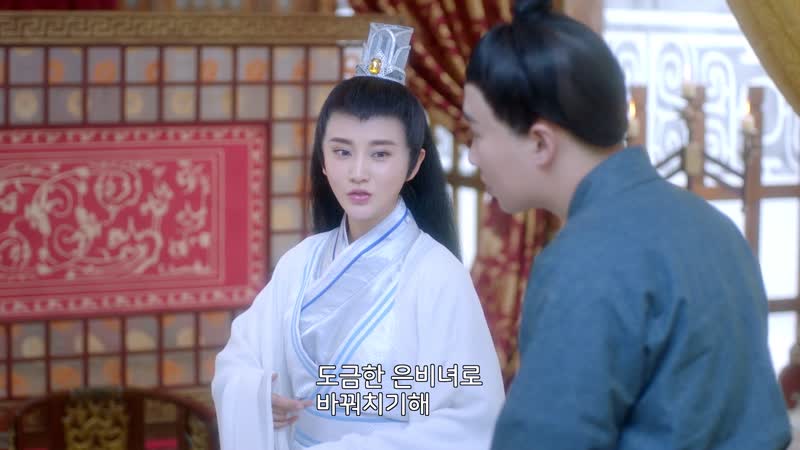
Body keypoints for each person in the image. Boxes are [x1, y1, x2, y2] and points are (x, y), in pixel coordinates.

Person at [462, 0, 792, 448]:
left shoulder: (585, 259)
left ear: (540, 142)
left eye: (477, 133)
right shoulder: (713, 224)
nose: (472, 155)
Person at [212, 22, 504, 450]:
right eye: (342, 151)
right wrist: (254, 397)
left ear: (414, 163)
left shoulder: (438, 276)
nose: (358, 172)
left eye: (380, 153)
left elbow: (470, 416)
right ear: (323, 159)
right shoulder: (301, 264)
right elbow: (239, 358)